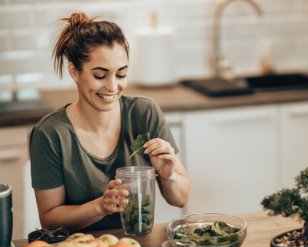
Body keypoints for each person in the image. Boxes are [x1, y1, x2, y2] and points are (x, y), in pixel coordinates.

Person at [29, 12, 190, 232]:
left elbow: (180, 199)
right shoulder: (50, 133)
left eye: (121, 74)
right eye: (100, 75)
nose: (113, 87)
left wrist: (168, 174)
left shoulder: (144, 113)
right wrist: (100, 206)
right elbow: (49, 219)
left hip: (136, 244)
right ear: (74, 71)